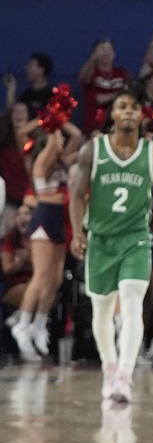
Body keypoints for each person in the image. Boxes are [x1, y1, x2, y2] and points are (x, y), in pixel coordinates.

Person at [69, 90, 153, 403]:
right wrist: (78, 231)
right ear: (113, 115)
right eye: (122, 107)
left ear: (141, 115)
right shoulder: (93, 150)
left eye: (134, 107)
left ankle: (125, 375)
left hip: (136, 238)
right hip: (101, 239)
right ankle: (109, 368)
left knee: (133, 302)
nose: (129, 112)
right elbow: (78, 195)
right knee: (102, 311)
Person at [11, 120, 84, 361]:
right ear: (49, 140)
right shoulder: (40, 161)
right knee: (41, 276)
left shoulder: (61, 162)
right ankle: (22, 323)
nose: (62, 140)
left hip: (59, 222)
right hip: (43, 218)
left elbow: (77, 135)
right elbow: (54, 141)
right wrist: (50, 123)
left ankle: (38, 324)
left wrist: (60, 119)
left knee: (55, 279)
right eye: (58, 138)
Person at [79, 38, 128, 134]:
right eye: (102, 49)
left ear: (114, 53)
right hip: (94, 129)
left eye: (109, 49)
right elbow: (82, 79)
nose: (106, 52)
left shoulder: (122, 74)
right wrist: (118, 94)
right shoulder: (91, 72)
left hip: (118, 127)